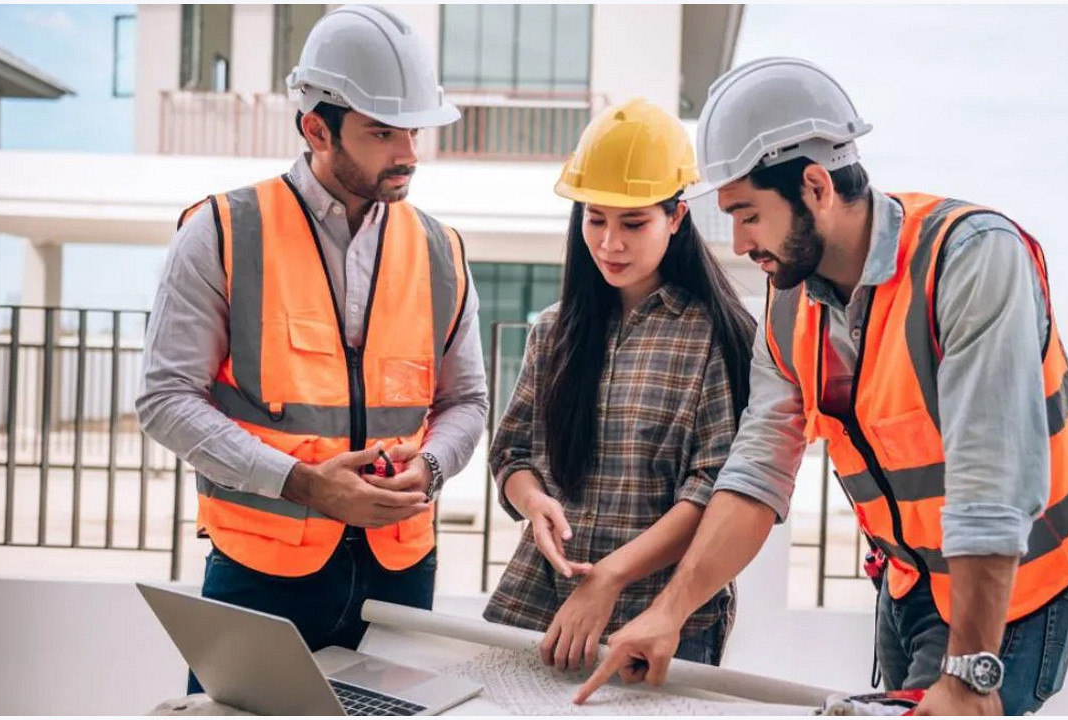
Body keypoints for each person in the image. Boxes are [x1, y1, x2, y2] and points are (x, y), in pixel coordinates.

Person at [575, 57, 1068, 715]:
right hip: (911, 581)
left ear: (815, 186)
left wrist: (972, 674)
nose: (738, 240)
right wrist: (670, 613)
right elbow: (755, 475)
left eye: (749, 214)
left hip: (1016, 581)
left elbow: (992, 478)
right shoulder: (788, 307)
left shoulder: (971, 258)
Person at [135, 5, 487, 694]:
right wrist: (303, 485)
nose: (409, 152)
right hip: (260, 576)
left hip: (401, 573)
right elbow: (164, 398)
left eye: (414, 128)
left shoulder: (440, 250)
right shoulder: (222, 232)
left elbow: (467, 399)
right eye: (383, 132)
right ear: (316, 128)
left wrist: (435, 469)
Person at [483, 98, 756, 672]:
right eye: (595, 219)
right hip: (544, 606)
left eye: (633, 223)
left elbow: (712, 492)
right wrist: (535, 505)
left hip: (661, 622)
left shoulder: (716, 338)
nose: (610, 244)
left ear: (677, 217)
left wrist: (611, 576)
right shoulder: (555, 330)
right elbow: (511, 453)